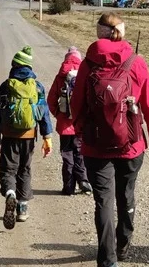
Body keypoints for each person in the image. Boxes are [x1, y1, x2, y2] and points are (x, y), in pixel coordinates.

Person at [71, 13, 149, 267]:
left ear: (99, 33)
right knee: (126, 195)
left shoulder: (88, 63)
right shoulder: (136, 62)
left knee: (103, 201)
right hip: (131, 144)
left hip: (95, 145)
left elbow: (76, 104)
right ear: (121, 32)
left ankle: (107, 259)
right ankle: (123, 243)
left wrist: (80, 130)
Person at [0, 45, 54, 230]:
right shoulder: (37, 86)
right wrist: (47, 137)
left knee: (8, 169)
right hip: (29, 136)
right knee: (24, 169)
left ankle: (10, 193)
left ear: (14, 65)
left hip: (9, 135)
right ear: (29, 67)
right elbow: (44, 113)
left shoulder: (6, 86)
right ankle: (22, 209)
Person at [49, 46, 92, 195]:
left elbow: (51, 100)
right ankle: (83, 181)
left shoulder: (60, 77)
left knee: (67, 156)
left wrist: (58, 114)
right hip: (81, 125)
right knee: (80, 154)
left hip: (64, 126)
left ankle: (68, 187)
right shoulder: (85, 75)